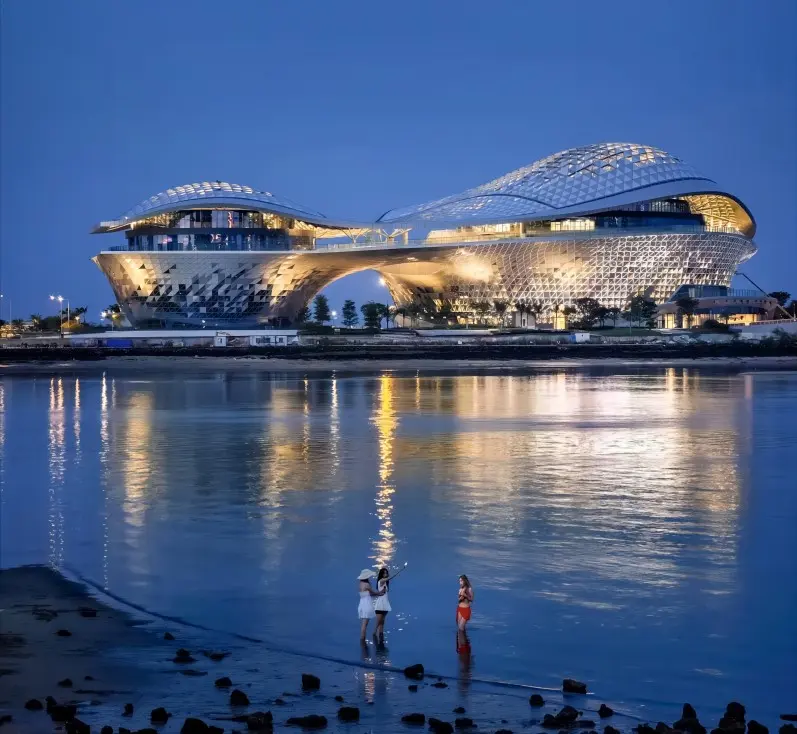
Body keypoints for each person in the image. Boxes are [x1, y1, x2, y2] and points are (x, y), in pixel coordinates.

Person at [357, 569, 383, 641]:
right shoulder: (367, 585)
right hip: (367, 605)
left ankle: (362, 639)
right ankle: (362, 640)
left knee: (363, 624)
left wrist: (378, 594)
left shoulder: (360, 584)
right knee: (365, 625)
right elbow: (373, 593)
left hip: (362, 605)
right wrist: (380, 593)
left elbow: (366, 594)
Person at [373, 567, 392, 642]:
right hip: (380, 605)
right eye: (384, 573)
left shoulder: (385, 582)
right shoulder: (381, 581)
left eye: (386, 573)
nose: (386, 574)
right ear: (381, 574)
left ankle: (381, 635)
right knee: (379, 621)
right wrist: (396, 573)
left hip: (385, 604)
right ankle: (374, 633)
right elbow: (387, 579)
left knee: (382, 622)